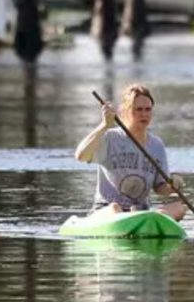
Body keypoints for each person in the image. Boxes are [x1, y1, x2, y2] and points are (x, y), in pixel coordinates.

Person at [74, 83, 187, 221]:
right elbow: (81, 156)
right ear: (125, 111)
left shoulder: (157, 145)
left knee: (178, 208)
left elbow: (159, 188)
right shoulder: (110, 138)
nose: (144, 114)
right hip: (107, 210)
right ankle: (133, 219)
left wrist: (173, 185)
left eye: (147, 109)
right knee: (114, 208)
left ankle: (148, 220)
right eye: (138, 109)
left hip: (140, 211)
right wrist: (104, 125)